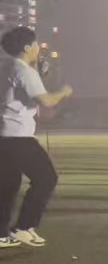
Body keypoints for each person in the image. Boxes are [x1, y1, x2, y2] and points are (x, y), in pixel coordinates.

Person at [0, 27, 72, 248]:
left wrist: (37, 71)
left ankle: (2, 235)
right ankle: (23, 227)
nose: (38, 48)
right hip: (18, 136)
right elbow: (46, 101)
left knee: (8, 186)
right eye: (36, 44)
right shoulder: (24, 70)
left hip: (4, 135)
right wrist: (63, 92)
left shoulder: (7, 66)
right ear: (27, 47)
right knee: (46, 178)